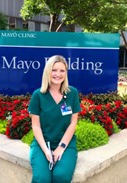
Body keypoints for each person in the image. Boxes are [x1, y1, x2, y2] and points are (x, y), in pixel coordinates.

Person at [28, 55, 81, 183]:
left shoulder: (72, 93)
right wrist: (46, 151)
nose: (58, 74)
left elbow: (73, 123)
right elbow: (36, 126)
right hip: (42, 144)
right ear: (48, 72)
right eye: (54, 70)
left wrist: (61, 147)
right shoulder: (38, 95)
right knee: (41, 178)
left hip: (66, 144)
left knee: (61, 176)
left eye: (62, 70)